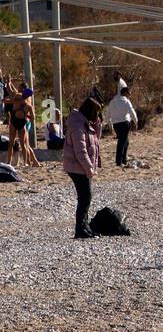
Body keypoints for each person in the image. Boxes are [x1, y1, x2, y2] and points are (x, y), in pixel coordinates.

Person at [63, 97, 102, 239]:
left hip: (81, 166)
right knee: (85, 197)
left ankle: (84, 227)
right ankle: (80, 229)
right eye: (96, 113)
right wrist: (89, 168)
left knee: (85, 197)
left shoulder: (85, 123)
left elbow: (96, 140)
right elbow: (81, 151)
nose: (97, 116)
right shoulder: (77, 125)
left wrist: (98, 124)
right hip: (76, 166)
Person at [4, 81, 39, 167]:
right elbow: (33, 117)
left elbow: (10, 98)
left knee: (13, 143)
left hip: (15, 121)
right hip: (22, 122)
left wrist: (6, 100)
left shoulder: (18, 98)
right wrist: (26, 115)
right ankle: (25, 162)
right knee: (23, 144)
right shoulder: (28, 104)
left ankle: (10, 162)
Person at [106, 85, 138, 167]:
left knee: (126, 142)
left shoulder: (112, 102)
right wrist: (136, 121)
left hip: (116, 125)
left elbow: (108, 115)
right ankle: (118, 161)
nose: (129, 95)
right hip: (124, 124)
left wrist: (110, 126)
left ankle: (124, 159)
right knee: (122, 142)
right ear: (124, 93)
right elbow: (132, 111)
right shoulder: (126, 101)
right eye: (128, 93)